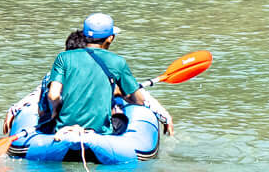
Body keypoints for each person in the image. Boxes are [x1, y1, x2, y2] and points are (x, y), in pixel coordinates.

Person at [39, 13, 173, 137]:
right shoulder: (118, 61)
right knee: (121, 118)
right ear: (110, 38)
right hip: (100, 131)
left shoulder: (63, 57)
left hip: (64, 128)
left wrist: (56, 111)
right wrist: (121, 94)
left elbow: (53, 95)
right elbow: (140, 100)